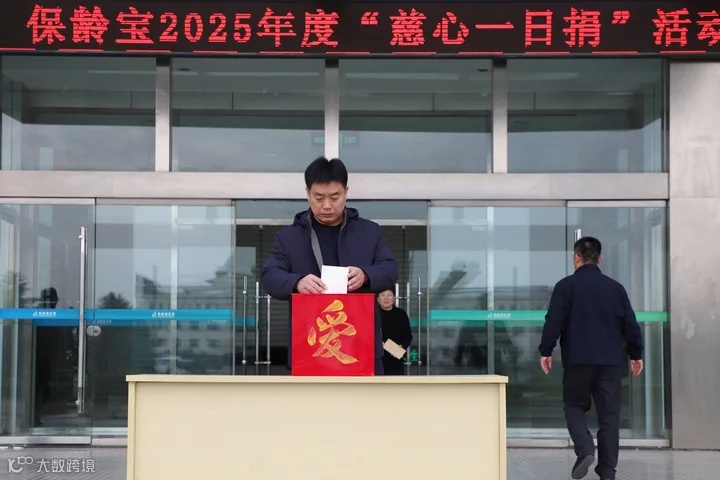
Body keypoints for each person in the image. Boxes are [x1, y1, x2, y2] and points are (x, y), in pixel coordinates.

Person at [260, 157, 398, 375]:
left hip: (362, 347)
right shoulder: (289, 238)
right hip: (309, 347)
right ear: (307, 193)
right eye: (319, 197)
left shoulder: (370, 232)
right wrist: (297, 282)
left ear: (346, 192)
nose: (326, 205)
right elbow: (269, 276)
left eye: (335, 197)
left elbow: (390, 270)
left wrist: (366, 275)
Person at [538, 237, 644, 480]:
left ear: (576, 258)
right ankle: (607, 472)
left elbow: (553, 321)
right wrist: (636, 354)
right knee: (609, 416)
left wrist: (546, 350)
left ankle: (585, 449)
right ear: (600, 259)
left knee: (574, 405)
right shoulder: (615, 288)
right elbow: (630, 324)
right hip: (609, 362)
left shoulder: (565, 287)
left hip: (577, 360)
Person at [376, 289, 413, 375]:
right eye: (382, 295)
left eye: (389, 295)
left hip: (395, 356)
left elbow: (408, 336)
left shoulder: (401, 314)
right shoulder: (373, 314)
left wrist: (402, 346)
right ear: (377, 299)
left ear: (394, 298)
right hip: (378, 358)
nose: (386, 298)